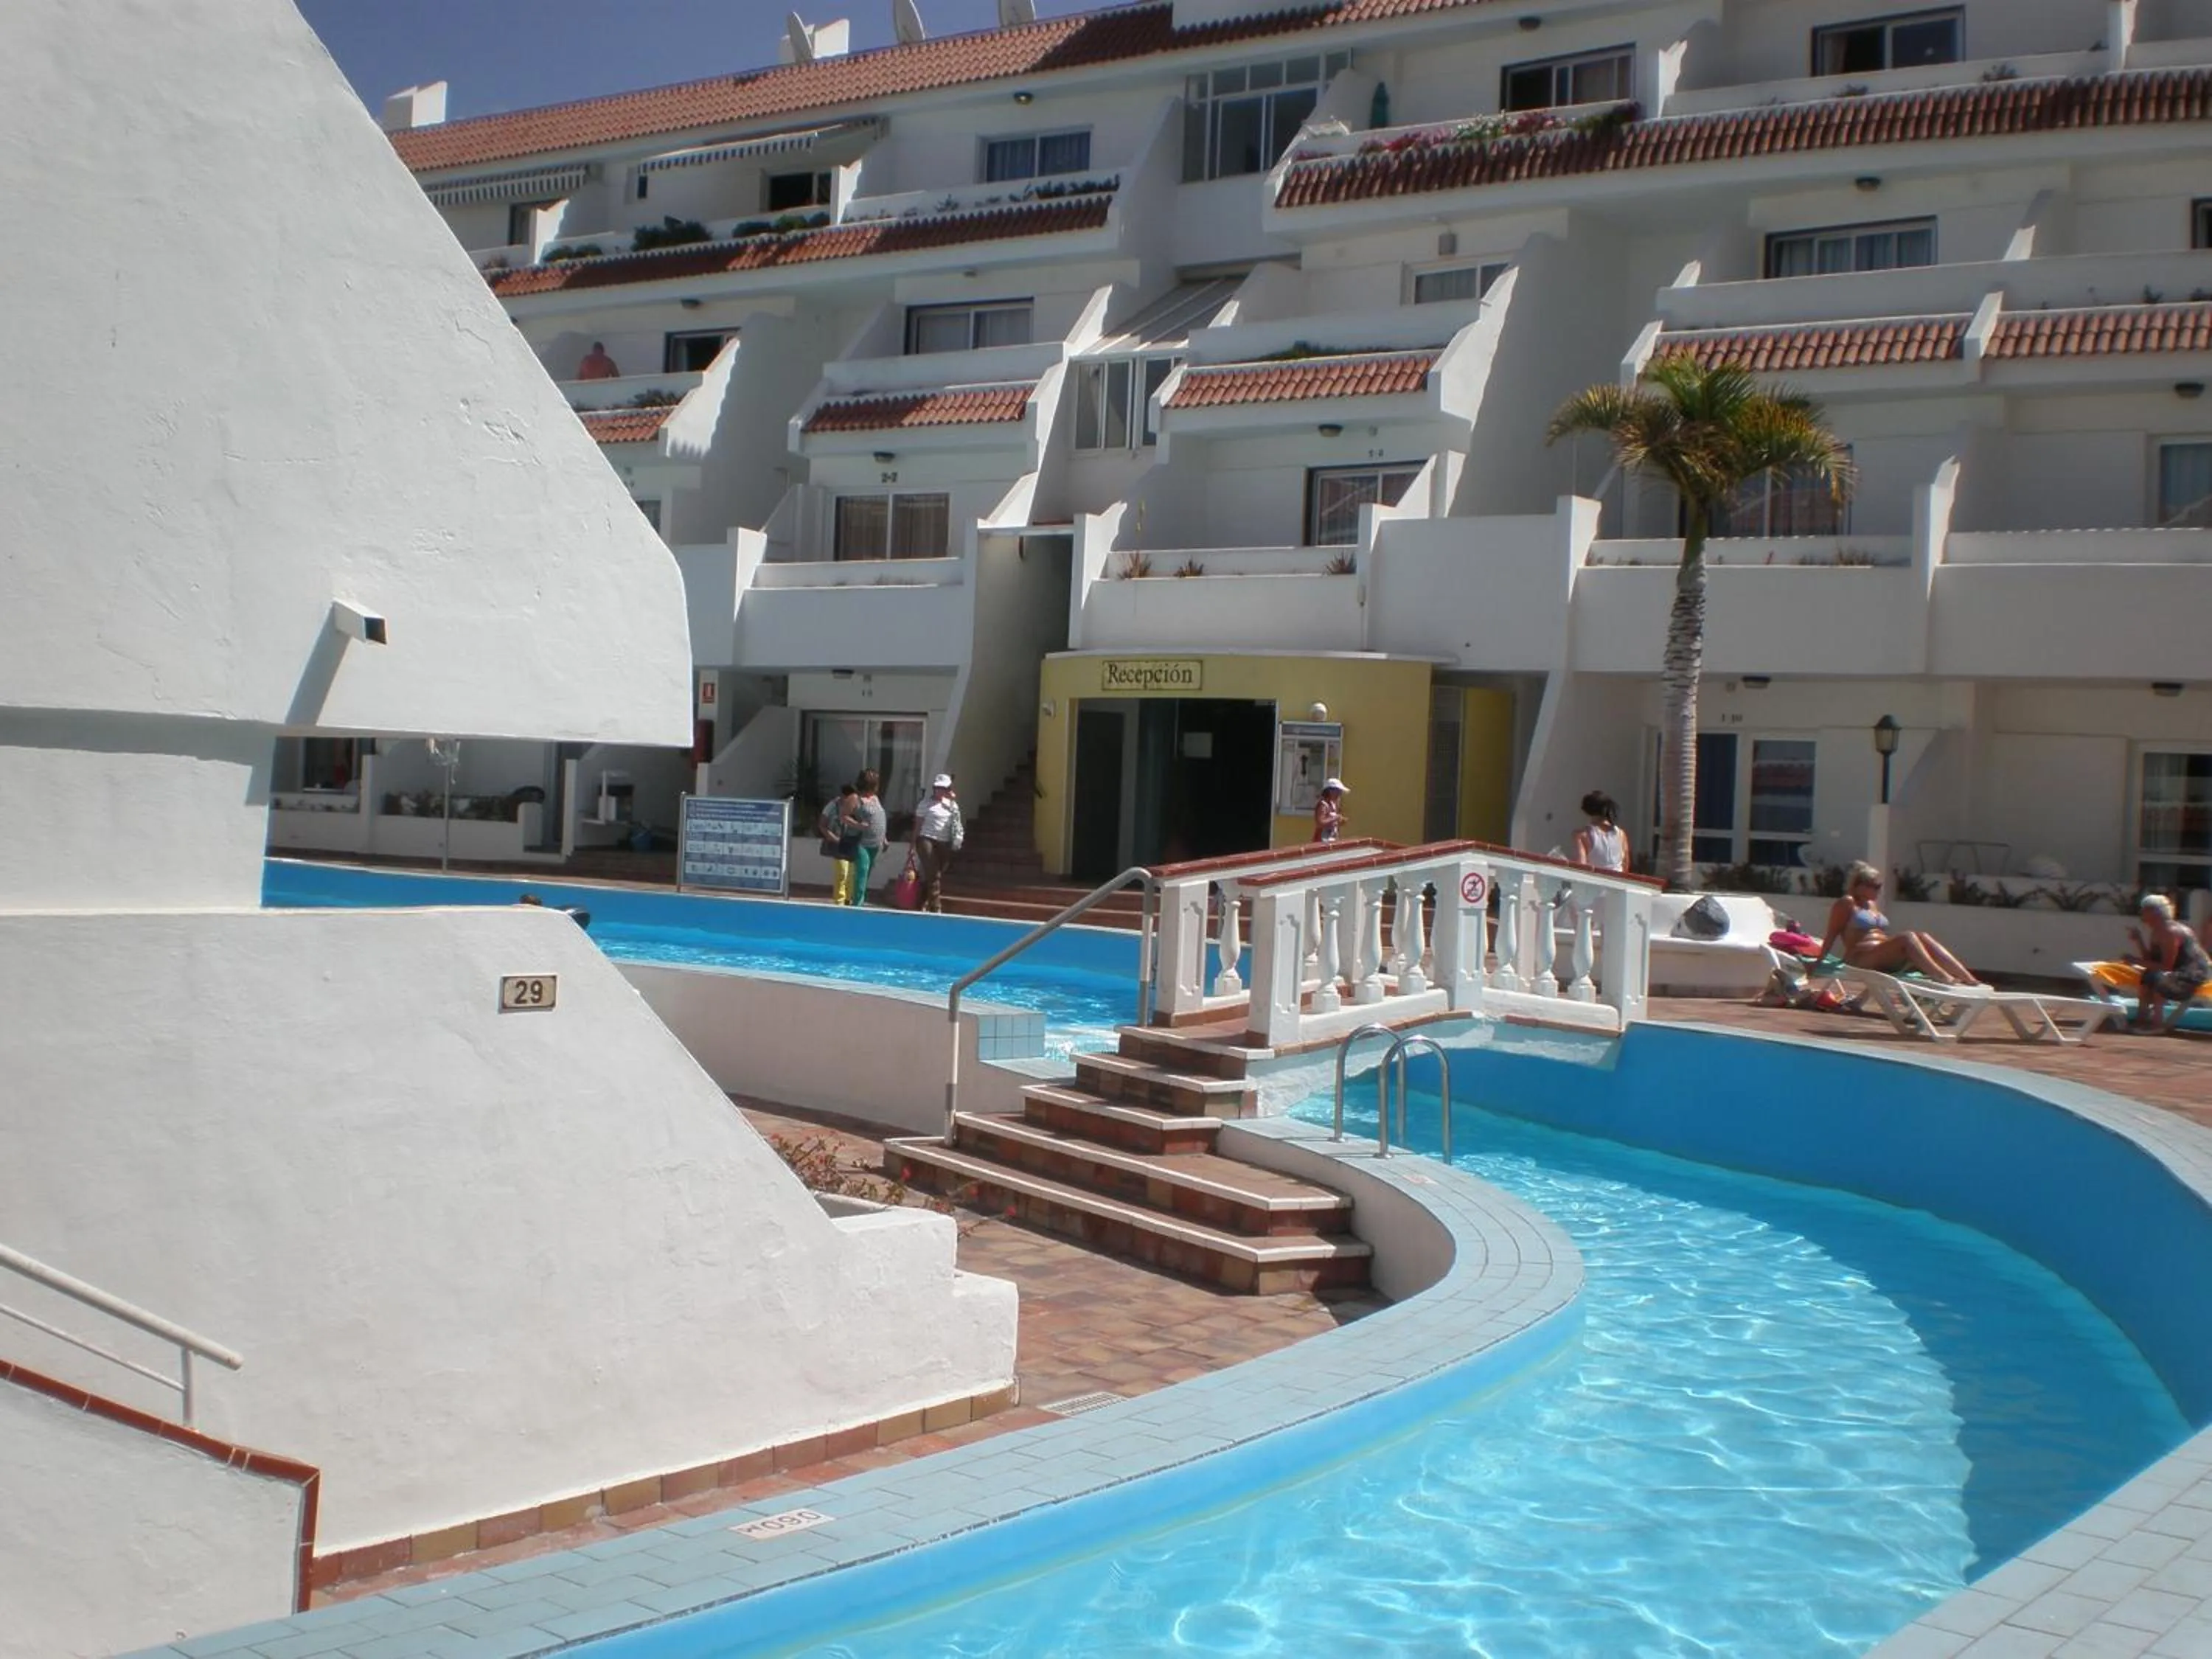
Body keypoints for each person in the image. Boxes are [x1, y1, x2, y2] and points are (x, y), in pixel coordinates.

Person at [1813, 861, 1981, 987]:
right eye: (1874, 886)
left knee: (1922, 936)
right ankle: (1941, 976)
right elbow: (1832, 933)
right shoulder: (1847, 903)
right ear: (1859, 886)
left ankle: (1966, 976)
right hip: (1860, 959)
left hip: (1882, 956)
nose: (1878, 890)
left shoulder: (1871, 905)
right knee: (1907, 937)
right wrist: (1818, 962)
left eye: (1879, 886)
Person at [2124, 892, 2210, 1031]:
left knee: (2160, 977)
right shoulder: (2157, 931)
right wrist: (2138, 940)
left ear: (2154, 912)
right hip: (2177, 971)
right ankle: (2142, 1018)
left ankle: (2157, 1022)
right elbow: (2151, 960)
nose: (2142, 913)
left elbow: (2166, 966)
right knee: (2149, 975)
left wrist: (2135, 961)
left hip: (2193, 974)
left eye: (2145, 910)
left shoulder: (2169, 932)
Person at [912, 773, 964, 913]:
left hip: (944, 842)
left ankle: (920, 902)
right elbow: (917, 826)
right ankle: (936, 907)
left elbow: (957, 823)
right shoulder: (925, 804)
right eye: (937, 788)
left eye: (943, 788)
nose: (939, 791)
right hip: (926, 839)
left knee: (934, 874)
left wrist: (953, 802)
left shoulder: (952, 806)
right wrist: (912, 844)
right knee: (934, 874)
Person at [847, 769, 888, 905]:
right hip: (862, 843)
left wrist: (884, 837)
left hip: (876, 843)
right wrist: (858, 825)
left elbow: (879, 818)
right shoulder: (855, 799)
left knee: (867, 872)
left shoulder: (875, 799)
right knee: (862, 870)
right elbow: (843, 816)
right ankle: (857, 904)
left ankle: (858, 898)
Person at [819, 783, 862, 906]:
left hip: (852, 842)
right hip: (837, 842)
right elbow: (822, 825)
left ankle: (849, 899)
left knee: (852, 873)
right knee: (842, 872)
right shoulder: (832, 806)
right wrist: (833, 838)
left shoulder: (858, 806)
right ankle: (839, 901)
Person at [1572, 790, 1629, 873]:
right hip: (1618, 881)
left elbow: (1582, 865)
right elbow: (1625, 864)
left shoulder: (1582, 835)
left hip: (1596, 881)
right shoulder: (1621, 834)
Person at [1312, 777, 1348, 844]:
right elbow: (1320, 822)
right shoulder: (1323, 805)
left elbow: (1331, 821)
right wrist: (1336, 818)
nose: (1339, 794)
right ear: (1330, 791)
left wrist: (1340, 821)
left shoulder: (1333, 804)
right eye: (1338, 791)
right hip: (1322, 841)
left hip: (1332, 839)